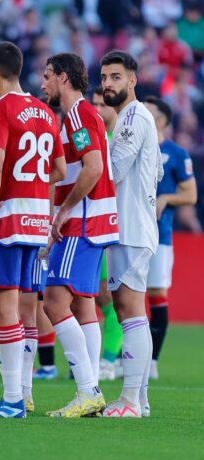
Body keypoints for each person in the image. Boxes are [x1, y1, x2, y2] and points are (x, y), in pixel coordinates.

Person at [0, 41, 65, 419]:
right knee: (26, 309)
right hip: (37, 220)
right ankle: (22, 394)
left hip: (7, 219)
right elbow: (58, 170)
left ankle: (11, 401)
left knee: (5, 308)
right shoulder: (44, 111)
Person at [40, 52, 119, 417]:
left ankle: (87, 390)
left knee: (54, 300)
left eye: (47, 76)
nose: (43, 84)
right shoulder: (82, 115)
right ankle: (91, 391)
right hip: (96, 219)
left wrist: (66, 209)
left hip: (83, 220)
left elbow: (94, 166)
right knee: (84, 303)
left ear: (65, 78)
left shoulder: (78, 114)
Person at [100, 51, 164, 418]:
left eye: (116, 77)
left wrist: (85, 163)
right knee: (129, 310)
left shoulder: (133, 117)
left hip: (130, 226)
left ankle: (129, 401)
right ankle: (138, 398)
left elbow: (113, 170)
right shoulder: (134, 117)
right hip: (132, 224)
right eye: (105, 76)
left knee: (130, 309)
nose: (108, 83)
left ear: (133, 80)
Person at [143, 96, 197, 380]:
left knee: (155, 294)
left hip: (160, 236)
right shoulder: (134, 145)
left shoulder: (176, 153)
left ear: (162, 119)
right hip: (129, 233)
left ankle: (151, 360)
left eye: (149, 111)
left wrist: (166, 197)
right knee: (122, 296)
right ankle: (119, 357)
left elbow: (191, 194)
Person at [90, 86, 124, 382]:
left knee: (109, 296)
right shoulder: (94, 141)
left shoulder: (118, 143)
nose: (98, 110)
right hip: (93, 225)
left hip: (115, 229)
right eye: (95, 104)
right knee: (97, 297)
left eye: (103, 105)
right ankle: (112, 354)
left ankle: (110, 357)